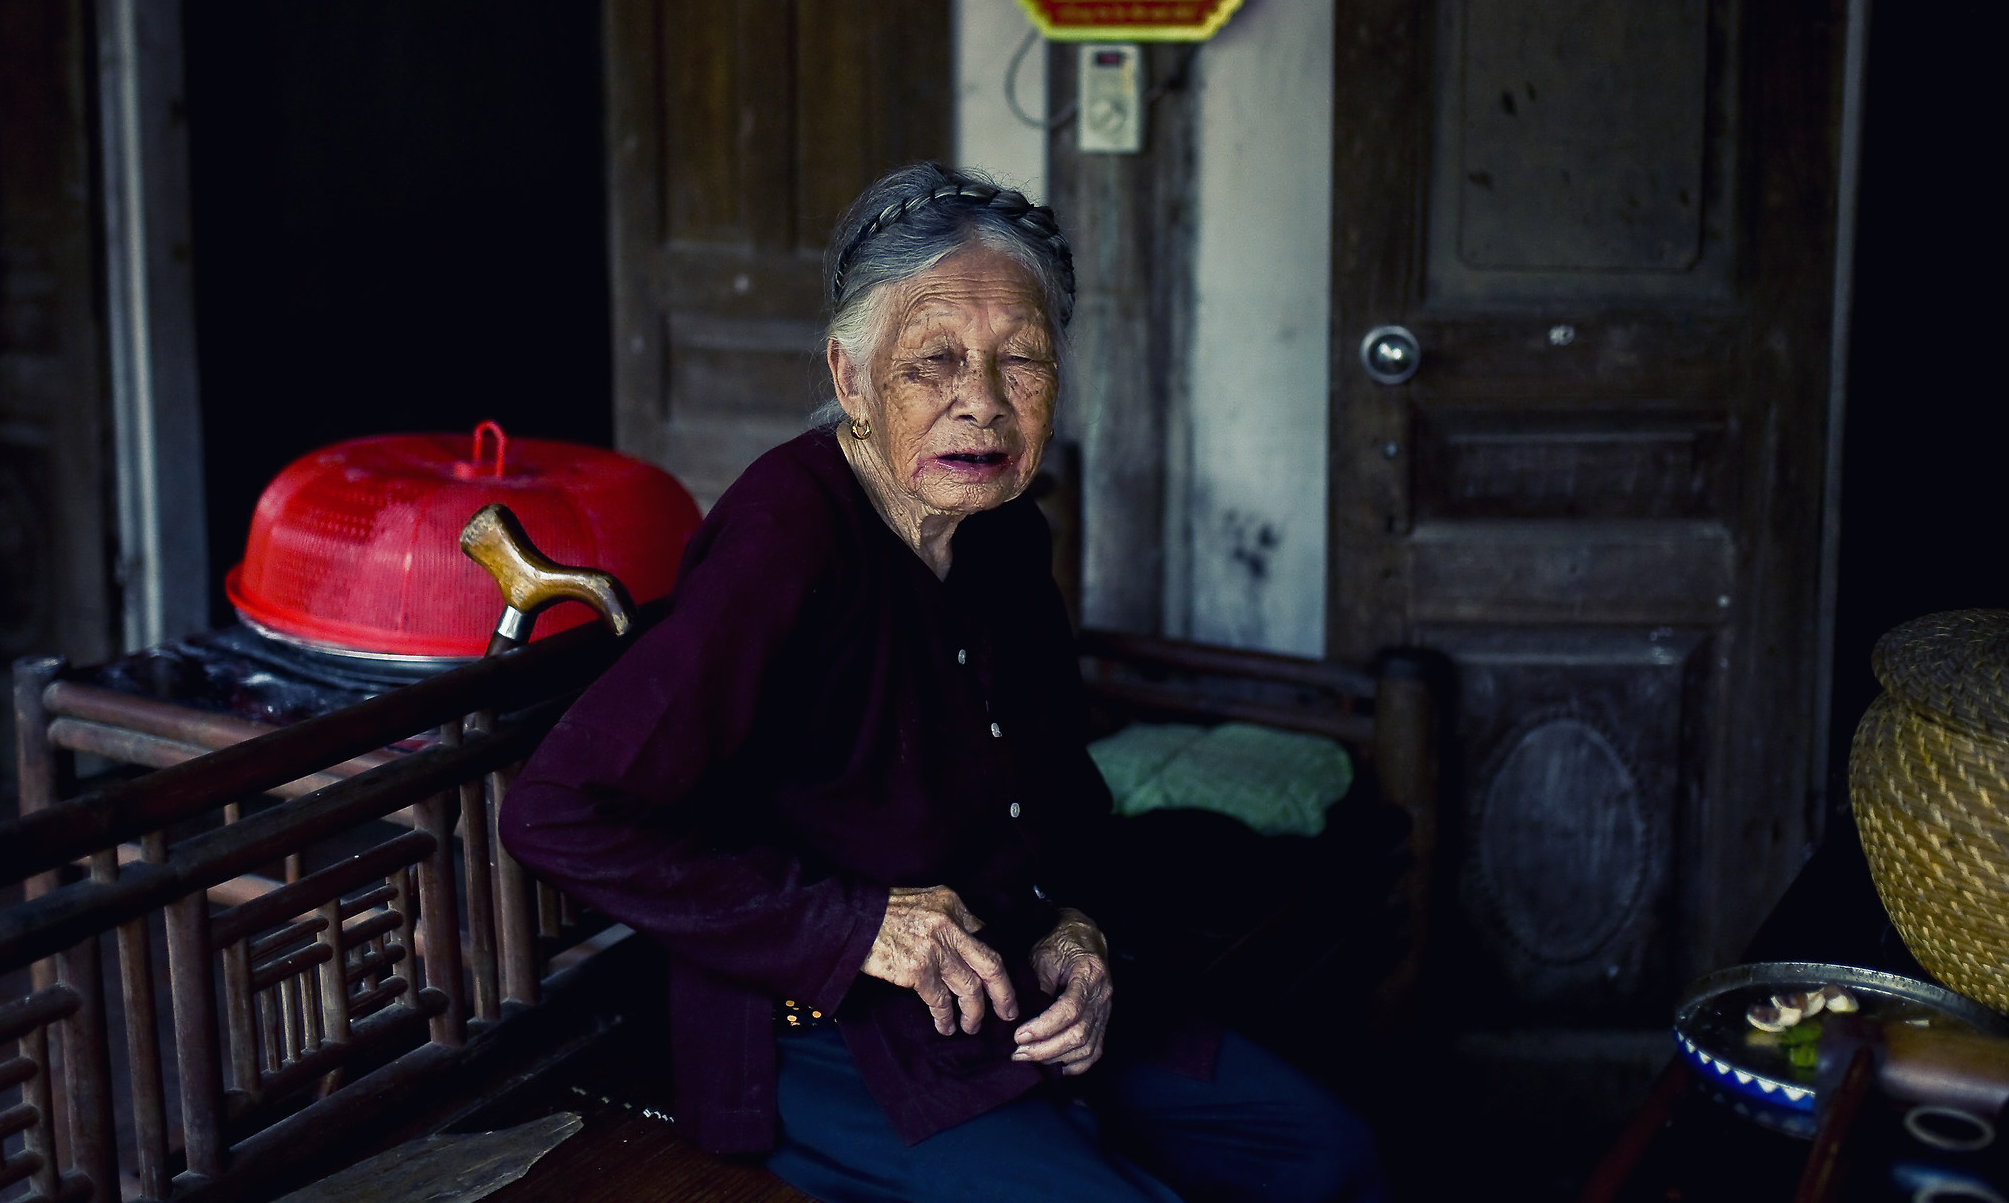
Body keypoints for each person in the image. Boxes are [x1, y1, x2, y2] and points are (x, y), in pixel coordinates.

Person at [499, 163, 1386, 1202]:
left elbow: (1058, 786)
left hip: (1016, 983)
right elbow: (560, 811)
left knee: (1327, 1155)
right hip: (824, 1034)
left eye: (1023, 360)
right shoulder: (786, 537)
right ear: (850, 377)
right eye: (934, 362)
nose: (984, 402)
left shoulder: (1006, 535)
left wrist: (1080, 926)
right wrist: (857, 924)